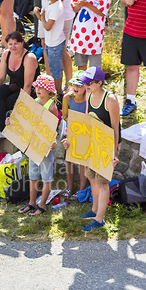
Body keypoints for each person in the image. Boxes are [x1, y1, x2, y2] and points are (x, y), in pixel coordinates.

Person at [63, 67, 121, 231]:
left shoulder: (110, 100)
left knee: (103, 183)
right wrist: (73, 139)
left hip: (106, 146)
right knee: (92, 178)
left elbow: (116, 128)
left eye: (89, 82)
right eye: (85, 82)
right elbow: (87, 122)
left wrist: (114, 153)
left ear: (99, 83)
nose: (85, 84)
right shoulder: (89, 95)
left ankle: (100, 219)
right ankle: (94, 209)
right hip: (92, 143)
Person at [0, 31, 38, 160]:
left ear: (22, 43)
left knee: (4, 104)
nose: (13, 47)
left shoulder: (29, 57)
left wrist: (22, 106)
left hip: (29, 91)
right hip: (13, 86)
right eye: (10, 44)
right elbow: (0, 78)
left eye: (16, 43)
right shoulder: (6, 54)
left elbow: (28, 85)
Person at [16, 75, 59, 216]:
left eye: (42, 87)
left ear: (49, 90)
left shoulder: (51, 107)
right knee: (33, 175)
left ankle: (42, 206)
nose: (38, 89)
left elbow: (54, 128)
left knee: (46, 177)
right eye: (37, 87)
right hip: (33, 145)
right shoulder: (33, 102)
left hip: (45, 146)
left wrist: (52, 142)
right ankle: (32, 202)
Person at [61, 70, 88, 198]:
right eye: (74, 85)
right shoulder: (67, 98)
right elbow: (64, 116)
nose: (76, 88)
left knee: (82, 161)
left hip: (84, 132)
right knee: (69, 160)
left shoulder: (88, 98)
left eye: (80, 85)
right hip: (71, 131)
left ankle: (82, 189)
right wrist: (73, 124)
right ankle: (70, 187)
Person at [69, 0, 111, 71]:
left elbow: (102, 12)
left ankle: (95, 82)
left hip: (95, 34)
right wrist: (79, 5)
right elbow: (75, 9)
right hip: (81, 32)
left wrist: (86, 4)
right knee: (81, 64)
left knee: (95, 67)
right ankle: (82, 82)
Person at [34, 0, 66, 94]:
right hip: (50, 42)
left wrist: (42, 18)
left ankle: (58, 92)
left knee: (55, 71)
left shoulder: (56, 7)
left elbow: (47, 26)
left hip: (55, 44)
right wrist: (38, 14)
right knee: (53, 69)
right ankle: (54, 91)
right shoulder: (50, 3)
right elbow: (44, 20)